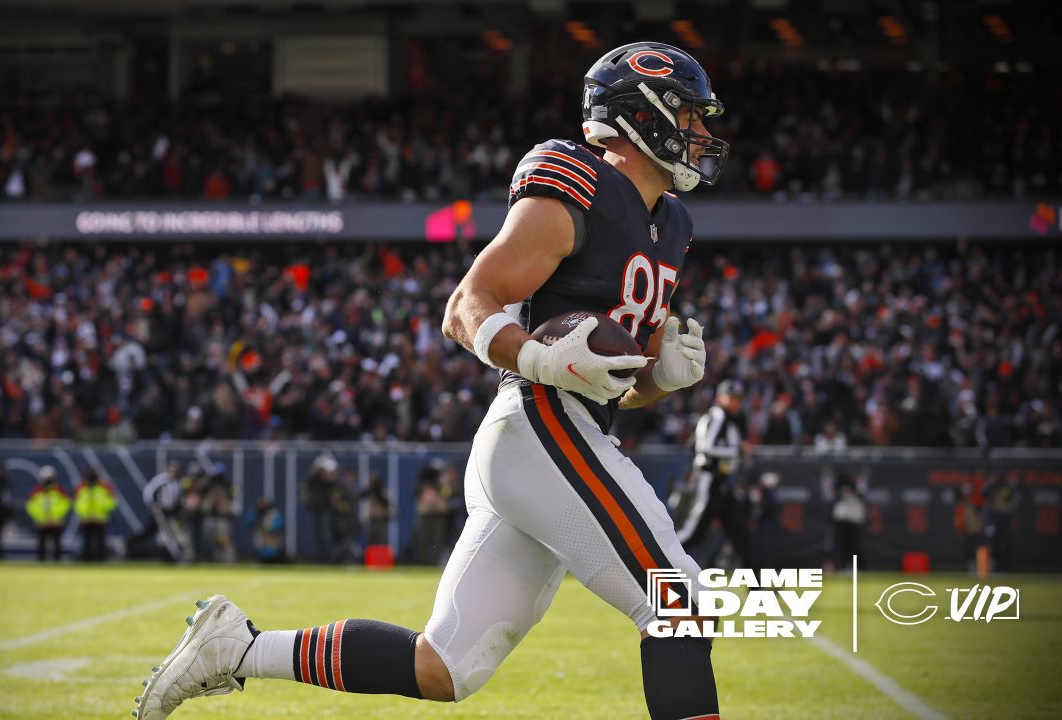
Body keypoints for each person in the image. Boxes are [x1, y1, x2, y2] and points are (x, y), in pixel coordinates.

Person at [136, 41, 725, 720]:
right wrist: (534, 357)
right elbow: (465, 306)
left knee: (446, 666)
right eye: (688, 113)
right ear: (639, 114)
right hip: (541, 423)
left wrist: (660, 380)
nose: (701, 133)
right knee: (679, 602)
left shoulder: (670, 225)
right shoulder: (579, 186)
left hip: (562, 436)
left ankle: (237, 650)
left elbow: (620, 384)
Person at [677, 379, 751, 570]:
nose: (736, 402)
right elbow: (706, 448)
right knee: (693, 533)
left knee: (741, 535)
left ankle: (759, 587)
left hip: (722, 482)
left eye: (739, 399)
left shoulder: (729, 420)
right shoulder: (717, 417)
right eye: (732, 398)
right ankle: (655, 565)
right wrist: (738, 450)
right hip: (709, 480)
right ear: (720, 398)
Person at [25, 466, 70, 562]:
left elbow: (65, 505)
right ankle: (41, 563)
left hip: (55, 523)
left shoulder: (59, 491)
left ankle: (57, 563)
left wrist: (55, 517)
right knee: (41, 547)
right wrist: (40, 518)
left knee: (57, 547)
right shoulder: (36, 492)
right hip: (42, 523)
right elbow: (31, 507)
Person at [300, 455, 337, 563]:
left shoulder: (329, 480)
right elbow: (305, 485)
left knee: (326, 534)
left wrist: (327, 474)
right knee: (316, 535)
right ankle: (318, 557)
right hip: (315, 508)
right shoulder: (313, 478)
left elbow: (334, 487)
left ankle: (329, 557)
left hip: (326, 509)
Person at [74, 471, 117, 562]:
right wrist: (85, 514)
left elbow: (112, 503)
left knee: (101, 543)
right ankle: (86, 560)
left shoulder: (103, 489)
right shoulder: (82, 489)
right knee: (86, 542)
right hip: (87, 520)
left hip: (100, 519)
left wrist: (101, 509)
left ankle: (101, 560)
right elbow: (77, 505)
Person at [830, 473, 866, 572]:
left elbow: (862, 493)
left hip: (855, 519)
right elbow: (831, 495)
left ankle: (856, 567)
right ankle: (843, 566)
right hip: (842, 519)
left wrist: (855, 487)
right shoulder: (839, 487)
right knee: (842, 545)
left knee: (855, 545)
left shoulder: (859, 488)